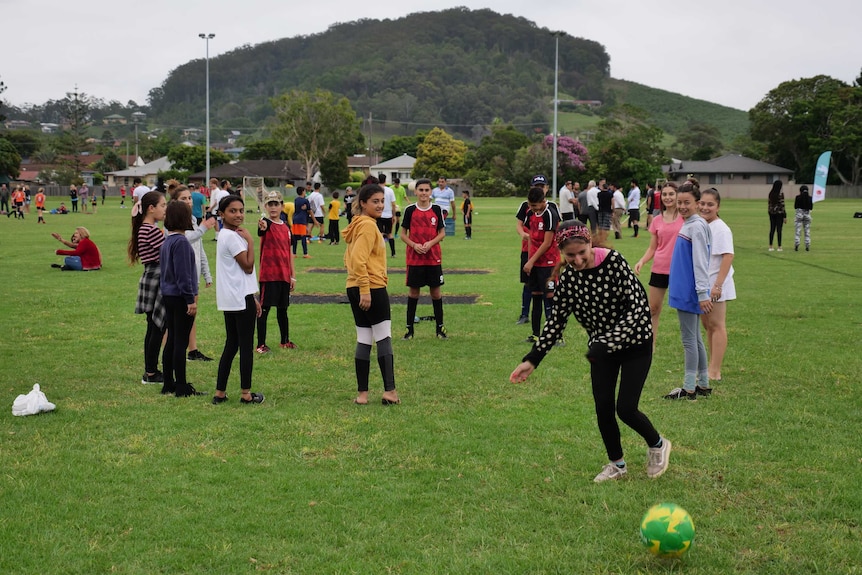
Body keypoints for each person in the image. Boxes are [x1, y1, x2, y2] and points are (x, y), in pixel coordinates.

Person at [510, 220, 671, 483]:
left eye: (581, 252)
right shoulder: (569, 278)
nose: (577, 259)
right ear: (562, 252)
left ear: (590, 244)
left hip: (635, 343)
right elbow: (556, 323)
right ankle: (617, 464)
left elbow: (638, 307)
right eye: (570, 255)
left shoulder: (614, 262)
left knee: (626, 408)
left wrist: (609, 340)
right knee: (603, 407)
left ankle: (658, 444)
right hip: (602, 349)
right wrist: (532, 360)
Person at [342, 183, 400, 406]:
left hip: (355, 286)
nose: (380, 205)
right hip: (371, 288)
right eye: (374, 201)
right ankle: (390, 392)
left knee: (364, 338)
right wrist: (365, 289)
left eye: (382, 201)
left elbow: (350, 259)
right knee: (383, 337)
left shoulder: (358, 224)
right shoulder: (367, 226)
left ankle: (363, 395)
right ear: (363, 203)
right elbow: (358, 259)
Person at [212, 195, 265, 405]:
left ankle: (220, 392)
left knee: (231, 344)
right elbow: (248, 266)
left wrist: (253, 296)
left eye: (241, 210)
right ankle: (246, 393)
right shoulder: (233, 237)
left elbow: (239, 273)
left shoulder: (224, 235)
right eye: (232, 211)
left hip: (233, 297)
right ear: (222, 214)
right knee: (245, 346)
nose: (238, 215)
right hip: (240, 299)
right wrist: (251, 241)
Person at [666, 178, 712, 400]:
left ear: (697, 202)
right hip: (686, 289)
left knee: (689, 340)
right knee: (696, 339)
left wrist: (703, 293)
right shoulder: (692, 223)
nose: (682, 206)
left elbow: (700, 262)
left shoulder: (696, 226)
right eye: (679, 202)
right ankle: (703, 384)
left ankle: (689, 388)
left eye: (687, 202)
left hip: (688, 291)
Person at [159, 200, 204, 397]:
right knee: (180, 341)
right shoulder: (182, 243)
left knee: (171, 340)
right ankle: (182, 386)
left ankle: (169, 382)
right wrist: (190, 300)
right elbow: (184, 275)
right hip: (180, 296)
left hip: (168, 295)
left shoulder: (167, 241)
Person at [168, 182, 215, 362]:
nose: (188, 201)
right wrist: (204, 228)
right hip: (180, 278)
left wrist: (206, 273)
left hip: (193, 276)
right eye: (183, 199)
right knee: (173, 321)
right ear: (174, 202)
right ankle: (171, 354)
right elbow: (184, 239)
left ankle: (192, 350)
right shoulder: (171, 222)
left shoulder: (193, 221)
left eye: (189, 198)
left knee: (191, 315)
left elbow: (199, 248)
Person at [634, 182, 684, 347]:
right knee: (653, 309)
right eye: (664, 194)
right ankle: (650, 345)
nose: (668, 197)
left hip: (680, 270)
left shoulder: (686, 218)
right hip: (660, 268)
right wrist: (642, 260)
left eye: (671, 194)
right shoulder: (656, 220)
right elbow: (653, 248)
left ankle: (689, 345)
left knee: (685, 310)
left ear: (678, 196)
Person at [400, 178, 447, 340]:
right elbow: (402, 234)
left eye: (427, 190)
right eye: (421, 190)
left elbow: (442, 233)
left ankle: (440, 329)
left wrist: (430, 243)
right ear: (416, 191)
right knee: (414, 292)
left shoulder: (436, 209)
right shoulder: (410, 210)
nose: (424, 193)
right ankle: (409, 330)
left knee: (435, 292)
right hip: (414, 259)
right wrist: (414, 245)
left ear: (431, 192)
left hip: (433, 258)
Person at [128, 190, 167, 385]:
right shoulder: (150, 230)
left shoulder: (146, 228)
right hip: (156, 277)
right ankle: (151, 372)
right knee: (156, 328)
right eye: (163, 206)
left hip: (152, 276)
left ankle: (150, 371)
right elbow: (169, 251)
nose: (165, 210)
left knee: (154, 327)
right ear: (151, 209)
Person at [698, 188, 734, 384]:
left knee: (717, 325)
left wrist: (718, 285)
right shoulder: (701, 225)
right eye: (702, 203)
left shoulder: (721, 228)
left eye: (710, 204)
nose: (705, 207)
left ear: (718, 207)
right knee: (708, 325)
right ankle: (711, 365)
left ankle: (715, 370)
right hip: (704, 284)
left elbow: (728, 256)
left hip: (716, 284)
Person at [256, 191, 297, 353]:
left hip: (284, 276)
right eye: (270, 204)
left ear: (281, 206)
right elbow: (262, 229)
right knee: (264, 310)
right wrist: (263, 226)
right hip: (269, 275)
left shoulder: (286, 228)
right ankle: (260, 344)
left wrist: (292, 275)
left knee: (283, 310)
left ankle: (285, 341)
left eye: (276, 204)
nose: (273, 207)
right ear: (265, 206)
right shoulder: (266, 223)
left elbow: (289, 253)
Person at [522, 186, 561, 344]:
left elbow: (546, 243)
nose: (532, 209)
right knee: (536, 297)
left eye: (535, 206)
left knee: (550, 299)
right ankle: (536, 334)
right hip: (535, 263)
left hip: (549, 263)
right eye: (530, 205)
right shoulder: (531, 213)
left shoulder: (550, 215)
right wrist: (530, 259)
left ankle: (557, 335)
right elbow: (531, 237)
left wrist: (531, 261)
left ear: (543, 201)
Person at [376, 175, 398, 257]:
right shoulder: (390, 190)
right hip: (388, 215)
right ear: (385, 181)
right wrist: (394, 215)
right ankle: (393, 253)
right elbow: (393, 204)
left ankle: (379, 253)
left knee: (380, 234)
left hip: (379, 215)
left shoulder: (376, 190)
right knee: (389, 234)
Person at [292, 186, 311, 258]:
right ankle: (305, 254)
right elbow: (309, 210)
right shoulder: (305, 201)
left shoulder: (296, 200)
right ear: (303, 191)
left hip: (295, 219)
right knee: (303, 237)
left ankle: (294, 253)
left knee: (295, 237)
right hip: (302, 220)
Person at [767, 180, 786, 252]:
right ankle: (779, 246)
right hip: (779, 213)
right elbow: (782, 206)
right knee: (779, 230)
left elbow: (769, 204)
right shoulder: (780, 194)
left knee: (772, 229)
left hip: (771, 213)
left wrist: (770, 212)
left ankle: (770, 246)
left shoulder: (771, 194)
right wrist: (785, 216)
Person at [794, 185, 813, 251]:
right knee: (807, 231)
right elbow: (811, 207)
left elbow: (795, 206)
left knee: (798, 231)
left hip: (799, 214)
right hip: (807, 215)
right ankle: (807, 245)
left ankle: (797, 244)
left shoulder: (797, 197)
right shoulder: (810, 198)